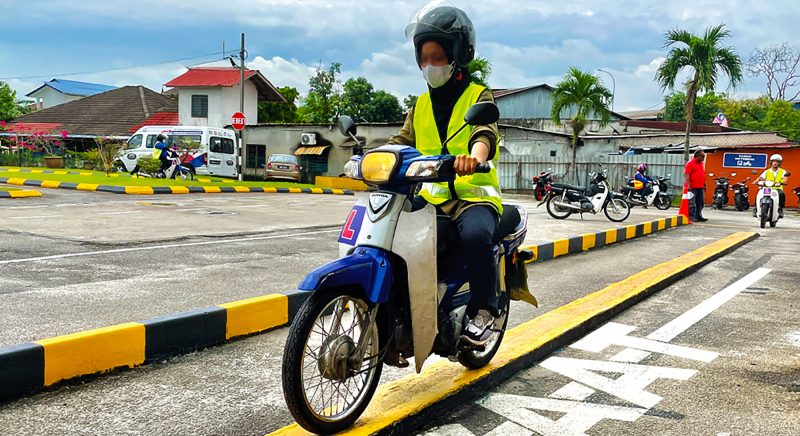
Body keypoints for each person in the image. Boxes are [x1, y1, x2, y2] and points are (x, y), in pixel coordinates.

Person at [388, 1, 502, 346]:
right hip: (430, 198)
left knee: (475, 237)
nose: (430, 65)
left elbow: (484, 133)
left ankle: (485, 310)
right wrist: (371, 156)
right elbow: (401, 141)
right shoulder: (420, 104)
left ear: (458, 55)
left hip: (472, 198)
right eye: (424, 58)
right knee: (395, 237)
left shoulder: (477, 94)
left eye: (437, 57)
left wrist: (475, 157)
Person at [757, 154, 790, 218]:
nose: (775, 163)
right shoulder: (766, 171)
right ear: (771, 162)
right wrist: (758, 181)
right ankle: (756, 209)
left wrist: (782, 182)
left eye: (777, 162)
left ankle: (780, 209)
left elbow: (785, 180)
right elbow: (761, 177)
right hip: (767, 188)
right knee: (759, 194)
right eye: (773, 161)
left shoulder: (783, 171)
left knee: (782, 194)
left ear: (779, 163)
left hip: (777, 188)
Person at [684, 149, 707, 222]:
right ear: (697, 156)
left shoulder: (701, 164)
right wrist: (688, 185)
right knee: (691, 203)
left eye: (704, 156)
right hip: (692, 187)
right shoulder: (690, 163)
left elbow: (702, 174)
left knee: (700, 203)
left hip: (700, 186)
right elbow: (687, 175)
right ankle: (692, 216)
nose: (703, 158)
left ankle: (698, 216)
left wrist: (704, 184)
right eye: (702, 156)